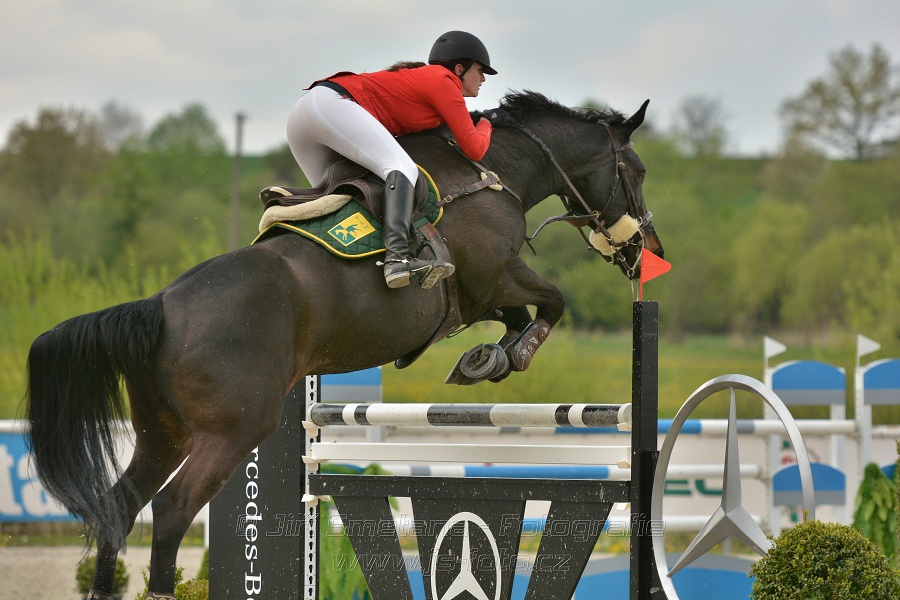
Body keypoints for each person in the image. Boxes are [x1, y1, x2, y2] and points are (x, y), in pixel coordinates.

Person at [286, 30, 512, 289]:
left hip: (305, 117)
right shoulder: (443, 79)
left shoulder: (430, 83)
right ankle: (397, 259)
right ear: (459, 68)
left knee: (335, 202)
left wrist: (478, 120)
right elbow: (475, 149)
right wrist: (486, 122)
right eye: (480, 70)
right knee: (402, 168)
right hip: (331, 105)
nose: (483, 78)